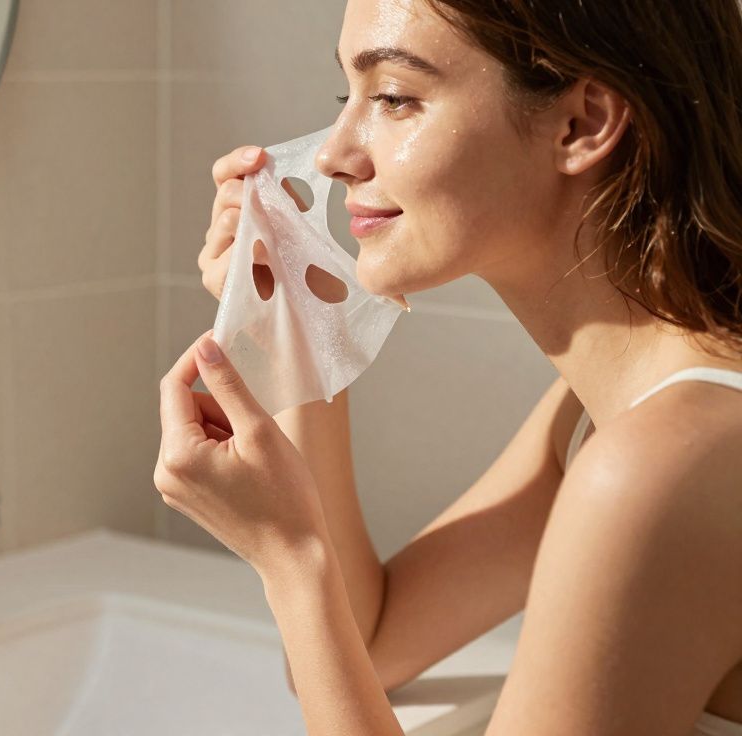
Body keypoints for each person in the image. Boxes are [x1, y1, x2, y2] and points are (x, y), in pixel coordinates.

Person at [153, 0, 742, 733]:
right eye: (349, 96)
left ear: (582, 124)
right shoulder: (600, 417)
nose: (335, 155)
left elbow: (336, 632)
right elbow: (370, 643)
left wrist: (291, 560)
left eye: (394, 97)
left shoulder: (659, 467)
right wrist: (295, 326)